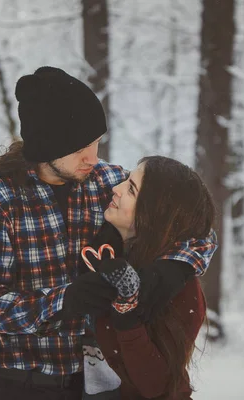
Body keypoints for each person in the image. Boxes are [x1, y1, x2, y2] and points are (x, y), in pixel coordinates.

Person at [0, 66, 217, 400]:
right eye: (80, 147)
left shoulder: (110, 182)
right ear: (47, 146)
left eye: (96, 143)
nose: (92, 158)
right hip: (14, 383)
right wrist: (63, 301)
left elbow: (193, 224)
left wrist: (168, 272)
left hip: (96, 386)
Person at [80, 155, 216, 400]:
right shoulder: (108, 251)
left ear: (154, 214)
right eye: (127, 180)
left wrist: (127, 313)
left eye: (131, 189)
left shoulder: (181, 290)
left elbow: (156, 386)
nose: (116, 188)